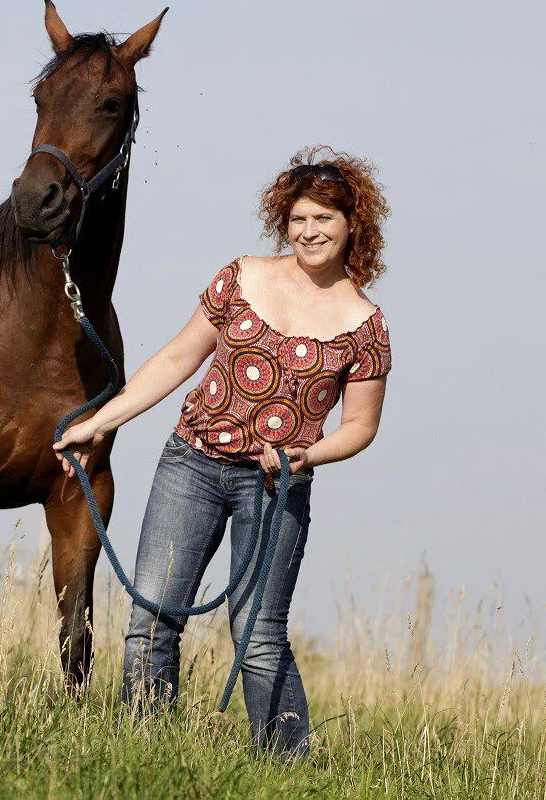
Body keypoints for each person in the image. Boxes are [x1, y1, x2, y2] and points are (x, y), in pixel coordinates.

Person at [52, 146, 392, 760]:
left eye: (323, 219)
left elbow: (361, 426)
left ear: (352, 226)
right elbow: (177, 358)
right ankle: (144, 756)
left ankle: (287, 768)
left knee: (257, 635)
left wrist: (308, 455)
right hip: (191, 464)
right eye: (298, 219)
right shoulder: (242, 277)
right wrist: (99, 424)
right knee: (152, 619)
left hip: (275, 485)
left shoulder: (365, 325)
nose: (309, 231)